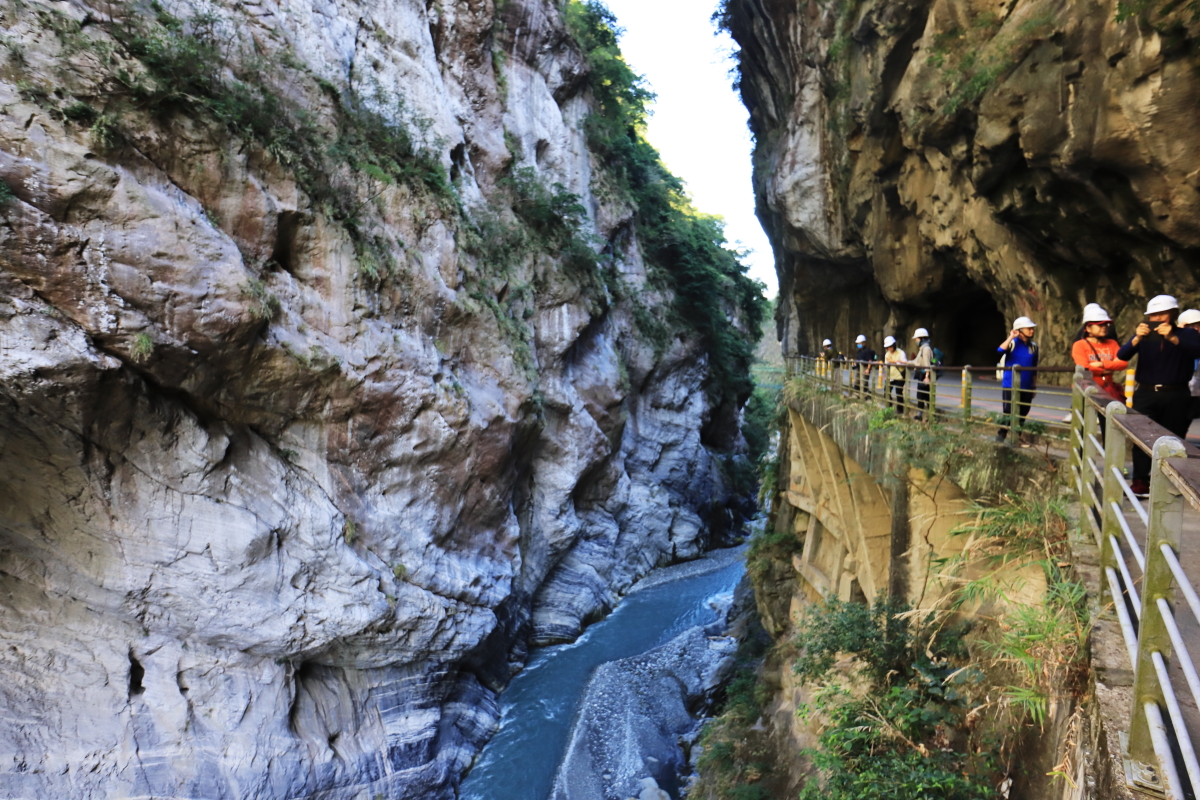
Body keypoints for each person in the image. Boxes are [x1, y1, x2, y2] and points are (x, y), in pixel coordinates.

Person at [1118, 295, 1200, 496]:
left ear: (1173, 314)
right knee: (1142, 437)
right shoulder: (1144, 335)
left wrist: (1172, 337)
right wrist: (1136, 338)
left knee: (1173, 439)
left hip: (1176, 393)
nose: (1157, 318)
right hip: (1146, 391)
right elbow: (1122, 355)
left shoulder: (1187, 334)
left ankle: (1169, 481)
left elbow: (1197, 351)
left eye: (1162, 314)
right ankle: (1140, 480)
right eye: (1153, 315)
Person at [996, 316, 1039, 443]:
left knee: (1023, 412)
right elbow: (1000, 350)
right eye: (1029, 329)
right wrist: (1011, 337)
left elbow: (1034, 367)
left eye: (1032, 329)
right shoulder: (1013, 344)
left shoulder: (1033, 347)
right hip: (1011, 384)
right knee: (1008, 411)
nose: (1032, 331)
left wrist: (1034, 386)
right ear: (1019, 330)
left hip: (1026, 384)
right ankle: (1001, 435)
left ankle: (1017, 437)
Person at [1071, 305, 1127, 403]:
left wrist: (1102, 364)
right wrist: (1109, 369)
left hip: (1108, 391)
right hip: (1087, 390)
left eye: (1106, 325)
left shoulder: (1112, 343)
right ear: (1088, 328)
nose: (1104, 327)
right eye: (1100, 325)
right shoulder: (1079, 345)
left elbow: (1123, 363)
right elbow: (1085, 367)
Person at [909, 328, 935, 421]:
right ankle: (923, 415)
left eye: (916, 339)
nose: (915, 341)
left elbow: (927, 363)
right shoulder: (922, 349)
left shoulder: (926, 349)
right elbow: (917, 361)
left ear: (921, 338)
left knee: (924, 396)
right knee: (922, 395)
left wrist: (927, 376)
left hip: (925, 376)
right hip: (921, 375)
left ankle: (930, 416)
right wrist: (905, 362)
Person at [1179, 309, 1200, 416]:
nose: (1196, 329)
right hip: (1180, 394)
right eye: (1191, 327)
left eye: (1198, 326)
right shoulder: (1175, 343)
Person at [883, 335, 907, 411]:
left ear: (894, 345)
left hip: (899, 376)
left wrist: (895, 362)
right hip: (890, 376)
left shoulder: (901, 353)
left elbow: (904, 363)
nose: (889, 349)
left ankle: (900, 410)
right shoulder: (887, 354)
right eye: (888, 347)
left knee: (899, 393)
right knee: (886, 391)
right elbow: (886, 365)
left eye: (891, 347)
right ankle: (889, 407)